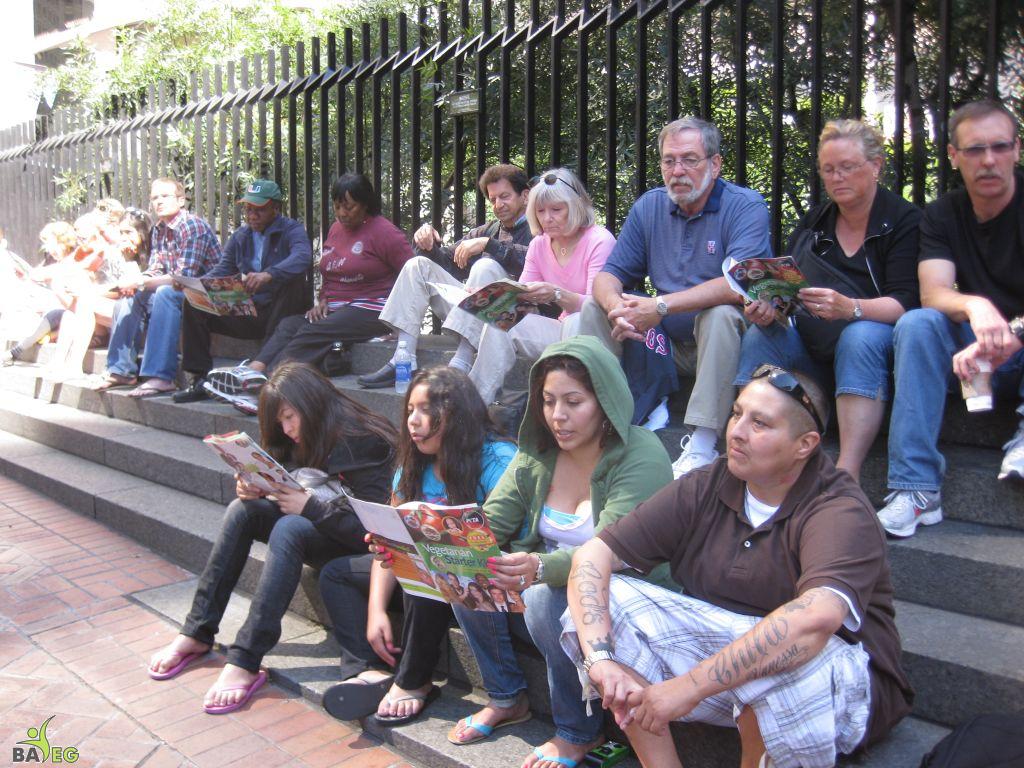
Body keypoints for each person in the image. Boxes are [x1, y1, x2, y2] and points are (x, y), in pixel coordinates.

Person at [561, 365, 913, 768]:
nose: (737, 432)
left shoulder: (838, 508)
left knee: (792, 649)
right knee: (608, 597)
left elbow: (816, 619)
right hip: (727, 664)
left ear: (805, 444)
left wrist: (689, 687)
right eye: (736, 413)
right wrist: (601, 659)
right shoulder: (708, 482)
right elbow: (594, 555)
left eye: (760, 423)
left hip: (840, 687)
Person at [447, 336, 675, 768]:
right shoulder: (538, 452)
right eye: (549, 401)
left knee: (542, 597)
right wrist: (424, 546)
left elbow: (616, 548)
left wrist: (538, 567)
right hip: (544, 601)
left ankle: (578, 732)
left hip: (622, 598)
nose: (557, 416)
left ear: (604, 401)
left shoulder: (641, 454)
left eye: (573, 402)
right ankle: (507, 697)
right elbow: (489, 526)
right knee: (469, 573)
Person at [146, 362, 396, 714]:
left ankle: (246, 659)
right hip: (320, 524)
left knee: (289, 527)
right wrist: (252, 485)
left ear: (312, 404)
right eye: (280, 421)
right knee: (242, 511)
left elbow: (377, 533)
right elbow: (283, 474)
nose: (287, 429)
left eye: (291, 417)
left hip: (359, 546)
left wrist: (311, 509)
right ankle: (197, 631)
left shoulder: (364, 440)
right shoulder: (297, 436)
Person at [317, 367, 516, 723]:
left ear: (457, 415)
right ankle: (366, 669)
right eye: (410, 410)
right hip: (428, 577)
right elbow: (391, 540)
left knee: (428, 565)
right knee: (336, 574)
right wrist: (376, 610)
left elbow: (506, 537)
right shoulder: (413, 464)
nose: (413, 421)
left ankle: (414, 680)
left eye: (426, 410)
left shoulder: (496, 460)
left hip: (486, 582)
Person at [578, 116, 771, 476]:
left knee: (720, 314)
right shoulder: (650, 207)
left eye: (689, 160)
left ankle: (702, 444)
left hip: (724, 345)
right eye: (669, 161)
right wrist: (617, 308)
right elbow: (608, 276)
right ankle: (596, 419)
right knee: (593, 307)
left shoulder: (745, 206)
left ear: (715, 164)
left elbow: (739, 283)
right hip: (664, 344)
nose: (677, 171)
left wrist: (661, 305)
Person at [735, 119, 921, 481]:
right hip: (813, 346)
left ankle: (846, 473)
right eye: (829, 169)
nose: (837, 178)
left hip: (873, 356)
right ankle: (745, 445)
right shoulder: (817, 220)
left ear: (876, 166)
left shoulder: (902, 221)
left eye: (847, 167)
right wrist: (768, 307)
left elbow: (907, 303)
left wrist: (850, 308)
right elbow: (788, 288)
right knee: (760, 334)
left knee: (859, 334)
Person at [878, 99, 1024, 536]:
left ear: (1017, 149)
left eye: (1000, 146)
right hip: (977, 352)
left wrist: (1013, 331)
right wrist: (976, 307)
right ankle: (916, 489)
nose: (989, 160)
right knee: (918, 323)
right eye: (975, 149)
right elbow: (933, 292)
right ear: (954, 156)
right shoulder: (943, 213)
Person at [214, 174, 412, 385]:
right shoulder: (336, 229)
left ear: (365, 205)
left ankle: (270, 384)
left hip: (373, 308)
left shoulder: (384, 232)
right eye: (337, 207)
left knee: (312, 332)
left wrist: (402, 323)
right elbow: (331, 272)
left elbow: (413, 275)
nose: (342, 213)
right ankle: (254, 369)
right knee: (290, 324)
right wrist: (324, 299)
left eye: (349, 207)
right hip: (336, 309)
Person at [356, 164, 533, 388]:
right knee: (418, 265)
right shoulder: (486, 231)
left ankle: (462, 361)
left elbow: (533, 264)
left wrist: (490, 245)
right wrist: (428, 245)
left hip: (515, 321)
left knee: (485, 266)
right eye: (493, 199)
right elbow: (449, 264)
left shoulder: (539, 229)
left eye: (504, 196)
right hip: (475, 316)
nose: (498, 205)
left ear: (525, 195)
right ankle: (404, 359)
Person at [468, 168, 615, 404]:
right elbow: (522, 295)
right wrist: (489, 297)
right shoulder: (539, 244)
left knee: (577, 320)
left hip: (597, 337)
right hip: (561, 331)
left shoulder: (599, 240)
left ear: (575, 206)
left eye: (556, 209)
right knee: (502, 319)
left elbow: (597, 308)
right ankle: (473, 403)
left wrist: (556, 294)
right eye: (540, 211)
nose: (547, 218)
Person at [172, 179, 313, 403]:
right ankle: (199, 378)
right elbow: (221, 271)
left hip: (281, 311)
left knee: (292, 282)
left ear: (276, 208)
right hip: (251, 311)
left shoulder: (291, 229)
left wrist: (270, 274)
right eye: (248, 210)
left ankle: (260, 370)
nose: (252, 216)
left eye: (259, 210)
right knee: (193, 301)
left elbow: (303, 257)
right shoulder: (241, 236)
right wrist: (193, 284)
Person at [101, 178, 222, 396]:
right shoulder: (159, 229)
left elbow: (184, 278)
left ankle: (160, 376)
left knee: (165, 292)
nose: (159, 201)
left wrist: (140, 282)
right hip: (180, 294)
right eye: (155, 197)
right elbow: (156, 269)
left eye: (165, 196)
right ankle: (121, 370)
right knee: (130, 296)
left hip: (209, 296)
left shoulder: (192, 226)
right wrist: (134, 283)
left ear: (181, 200)